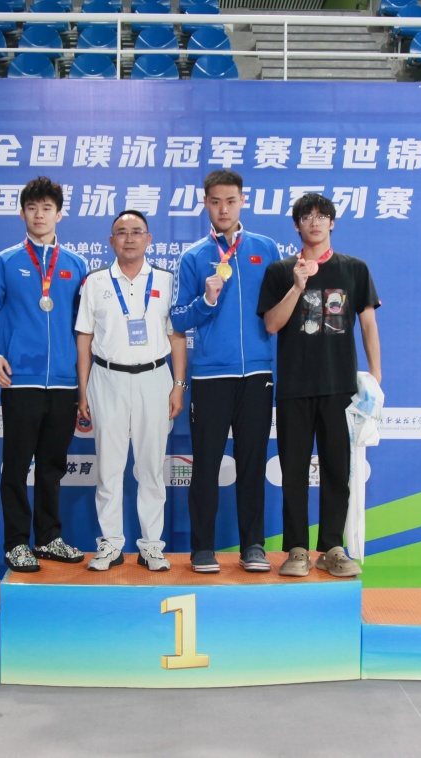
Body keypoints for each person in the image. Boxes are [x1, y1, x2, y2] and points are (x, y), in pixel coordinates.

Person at [257, 193, 382, 578]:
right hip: (294, 387)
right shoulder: (280, 271)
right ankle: (297, 549)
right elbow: (272, 325)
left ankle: (332, 548)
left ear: (332, 222)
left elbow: (368, 324)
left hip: (339, 387)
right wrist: (297, 286)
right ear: (296, 225)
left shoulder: (354, 269)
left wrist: (376, 377)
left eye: (321, 216)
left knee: (336, 471)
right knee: (293, 472)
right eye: (306, 217)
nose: (314, 222)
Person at [0, 176, 90, 573]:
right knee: (17, 465)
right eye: (32, 208)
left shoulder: (76, 265)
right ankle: (17, 543)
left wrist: (84, 381)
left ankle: (49, 538)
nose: (40, 215)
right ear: (22, 213)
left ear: (59, 214)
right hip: (20, 380)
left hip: (64, 383)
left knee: (53, 466)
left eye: (47, 208)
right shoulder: (5, 262)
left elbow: (85, 327)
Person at [170, 170, 282, 574]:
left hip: (257, 375)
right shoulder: (193, 256)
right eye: (215, 201)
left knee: (253, 462)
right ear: (205, 203)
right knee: (205, 465)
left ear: (242, 201)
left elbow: (278, 312)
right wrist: (206, 300)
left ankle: (253, 546)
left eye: (230, 201)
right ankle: (202, 548)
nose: (223, 209)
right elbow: (178, 319)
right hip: (210, 377)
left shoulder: (265, 249)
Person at [77, 210, 188, 572]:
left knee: (151, 468)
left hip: (154, 378)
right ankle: (110, 544)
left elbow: (176, 336)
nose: (129, 238)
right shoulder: (95, 282)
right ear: (111, 241)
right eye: (121, 232)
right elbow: (84, 338)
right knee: (109, 468)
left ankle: (151, 545)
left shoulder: (167, 281)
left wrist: (178, 385)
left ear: (148, 239)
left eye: (136, 232)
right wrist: (83, 390)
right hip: (106, 378)